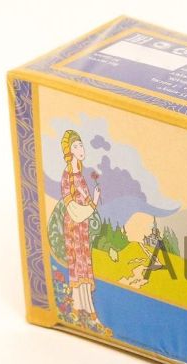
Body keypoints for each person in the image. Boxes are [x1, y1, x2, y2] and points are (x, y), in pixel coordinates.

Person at [60, 129, 105, 331]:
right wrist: (92, 202)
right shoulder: (68, 176)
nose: (81, 149)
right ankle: (79, 309)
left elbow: (85, 204)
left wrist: (93, 199)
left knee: (84, 264)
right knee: (78, 264)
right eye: (76, 146)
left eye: (81, 145)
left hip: (82, 226)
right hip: (74, 225)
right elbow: (73, 208)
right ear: (70, 151)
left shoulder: (80, 175)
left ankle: (86, 309)